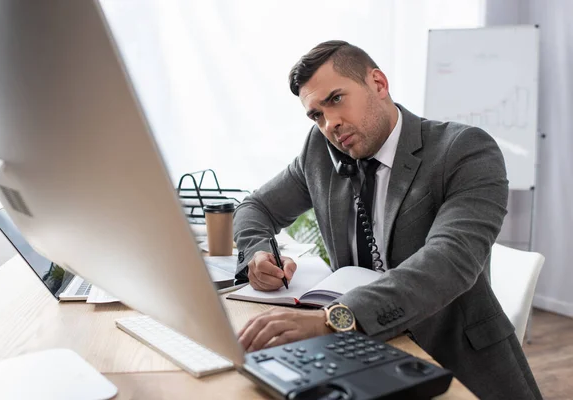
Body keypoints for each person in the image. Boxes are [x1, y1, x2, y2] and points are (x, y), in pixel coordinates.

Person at [232, 40, 541, 399]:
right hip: (356, 353)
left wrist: (334, 319)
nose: (330, 123)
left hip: (452, 359)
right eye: (316, 114)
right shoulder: (320, 152)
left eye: (335, 99)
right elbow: (256, 207)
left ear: (378, 84)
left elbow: (449, 262)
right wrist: (256, 253)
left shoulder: (464, 150)